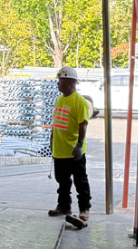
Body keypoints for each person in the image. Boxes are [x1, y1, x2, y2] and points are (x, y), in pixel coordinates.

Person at [48, 66, 91, 229]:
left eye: (60, 80)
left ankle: (84, 208)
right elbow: (56, 123)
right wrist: (52, 139)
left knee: (80, 181)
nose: (58, 83)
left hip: (74, 152)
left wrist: (79, 145)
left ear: (68, 81)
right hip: (60, 151)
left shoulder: (79, 101)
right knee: (62, 182)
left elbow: (83, 125)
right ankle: (64, 206)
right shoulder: (60, 99)